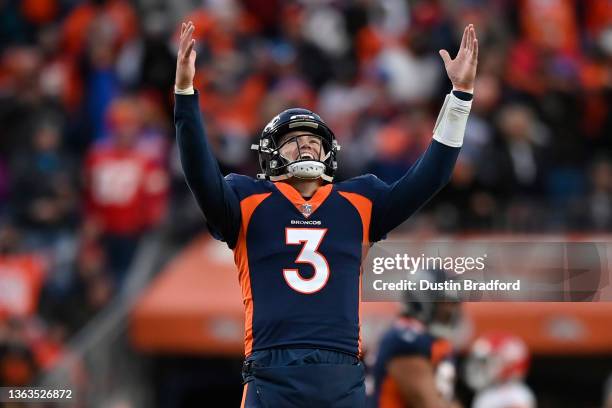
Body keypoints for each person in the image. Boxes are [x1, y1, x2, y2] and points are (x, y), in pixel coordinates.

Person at [174, 20, 478, 408]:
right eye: (293, 142)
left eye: (314, 142)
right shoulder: (246, 197)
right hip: (272, 368)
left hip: (340, 373)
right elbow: (200, 173)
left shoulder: (360, 201)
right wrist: (185, 94)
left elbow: (431, 176)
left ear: (329, 153)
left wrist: (460, 97)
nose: (305, 149)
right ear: (270, 156)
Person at [369, 270, 463, 408]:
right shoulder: (406, 339)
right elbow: (429, 404)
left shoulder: (431, 341)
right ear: (422, 300)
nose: (451, 311)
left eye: (454, 304)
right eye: (445, 302)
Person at [465, 333, 536, 408]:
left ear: (508, 363)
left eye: (490, 362)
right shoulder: (484, 396)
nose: (486, 367)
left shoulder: (520, 394)